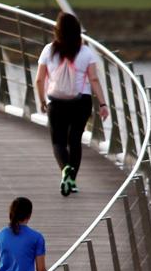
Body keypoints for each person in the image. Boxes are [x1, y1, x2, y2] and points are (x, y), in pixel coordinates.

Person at [34, 12, 110, 197]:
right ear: (78, 31)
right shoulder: (85, 52)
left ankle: (65, 169)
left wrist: (43, 101)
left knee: (58, 142)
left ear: (57, 31)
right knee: (75, 141)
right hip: (80, 102)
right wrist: (102, 104)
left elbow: (39, 79)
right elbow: (93, 79)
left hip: (56, 102)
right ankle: (72, 180)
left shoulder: (48, 50)